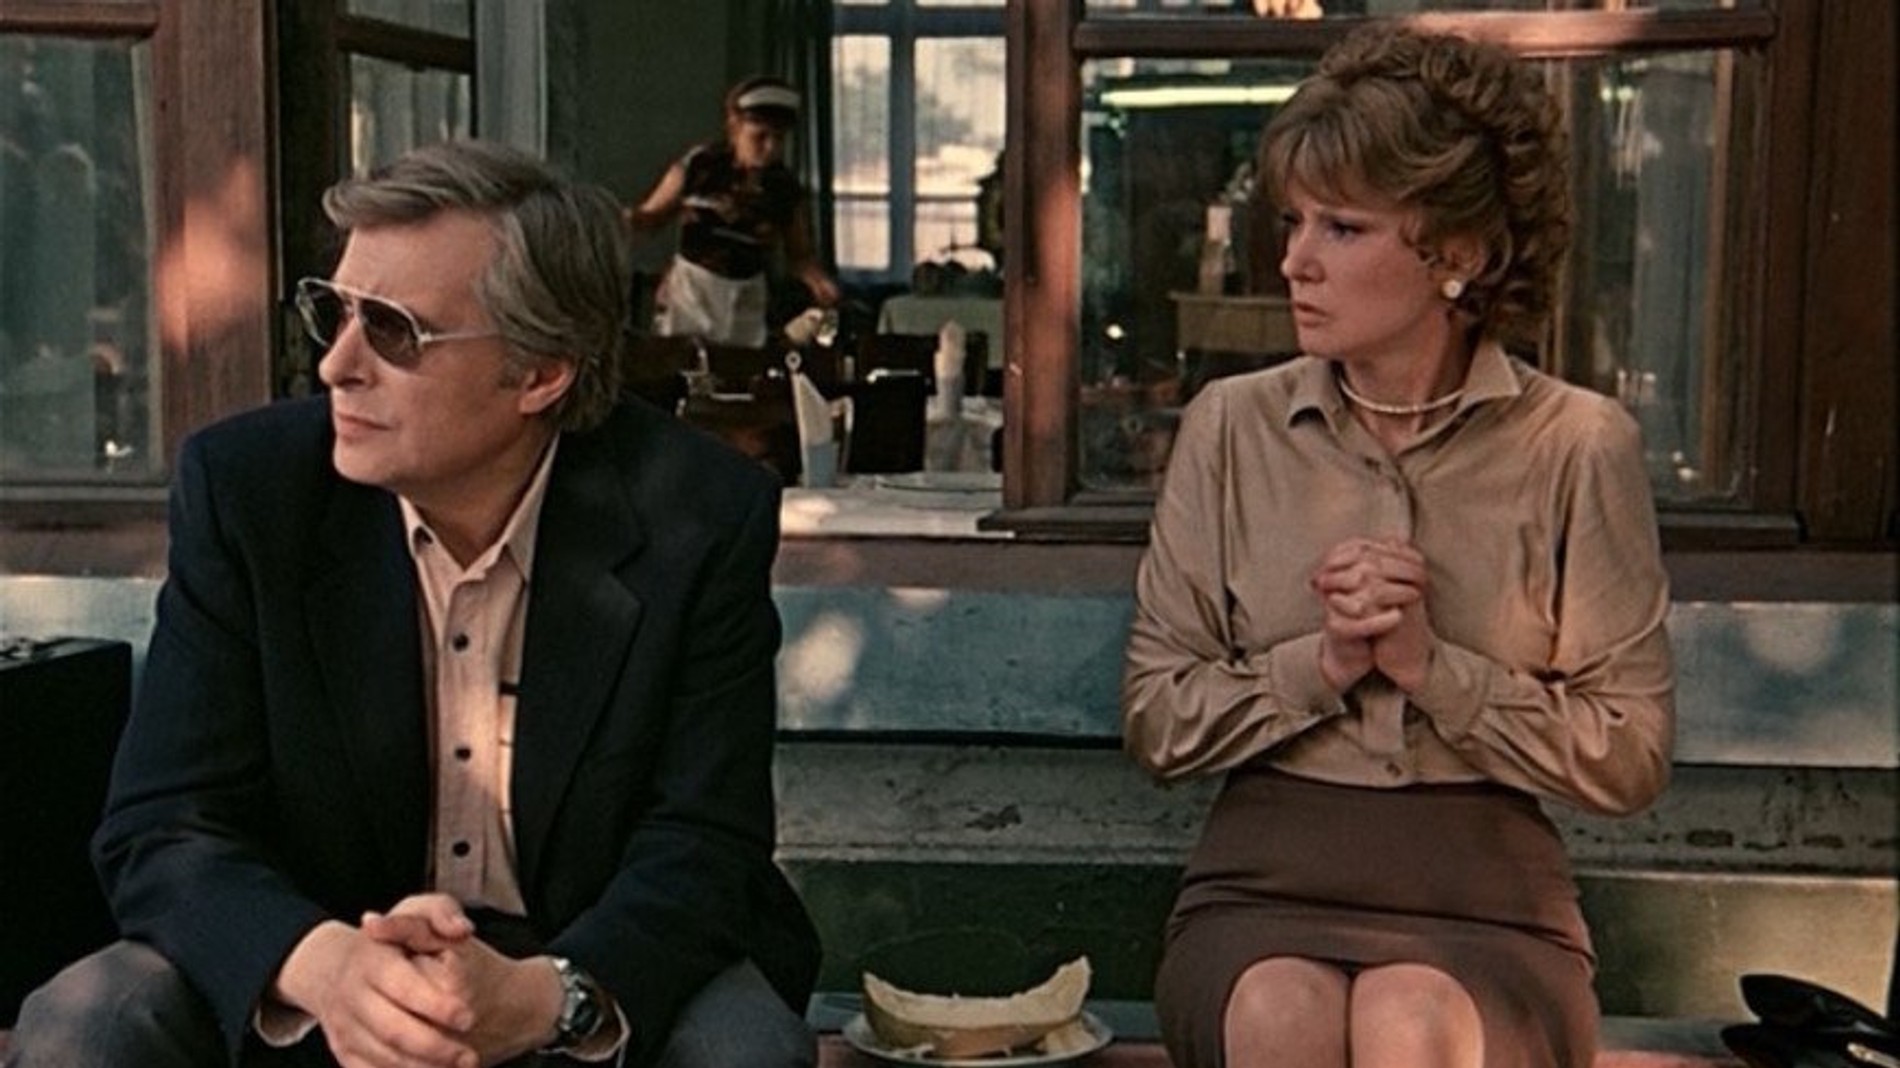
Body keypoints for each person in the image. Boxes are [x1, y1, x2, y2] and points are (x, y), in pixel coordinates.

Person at [6, 139, 820, 1068]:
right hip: (317, 949)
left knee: (748, 1048)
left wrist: (550, 996)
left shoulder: (698, 512)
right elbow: (163, 823)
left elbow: (707, 841)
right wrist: (323, 968)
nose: (337, 366)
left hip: (578, 962)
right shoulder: (249, 491)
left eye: (394, 331)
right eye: (334, 312)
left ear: (541, 372)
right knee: (90, 1022)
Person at [1121, 24, 1674, 1068]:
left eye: (1341, 227)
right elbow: (1156, 719)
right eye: (1293, 222)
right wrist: (1324, 663)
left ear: (1456, 255)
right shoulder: (1230, 426)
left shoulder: (1578, 446)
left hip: (1487, 901)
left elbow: (1631, 754)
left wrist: (1433, 670)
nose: (1294, 261)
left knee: (1409, 1022)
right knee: (1276, 1014)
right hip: (1262, 881)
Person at [625, 76, 839, 348]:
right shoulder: (699, 166)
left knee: (741, 367)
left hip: (746, 297)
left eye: (779, 138)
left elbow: (800, 254)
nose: (770, 148)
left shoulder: (784, 186)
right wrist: (623, 220)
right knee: (684, 364)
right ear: (735, 127)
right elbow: (652, 216)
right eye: (760, 137)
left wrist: (818, 281)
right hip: (692, 293)